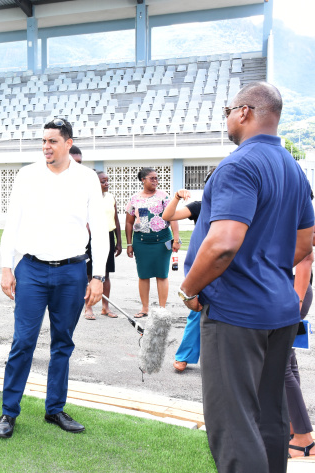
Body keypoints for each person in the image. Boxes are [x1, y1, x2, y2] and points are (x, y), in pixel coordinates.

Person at [180, 82, 314, 473]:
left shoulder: (238, 164)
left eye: (227, 110)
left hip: (236, 312)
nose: (226, 118)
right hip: (280, 308)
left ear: (244, 112)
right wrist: (265, 264)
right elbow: (305, 241)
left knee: (235, 425)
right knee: (270, 415)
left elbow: (223, 244)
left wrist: (189, 289)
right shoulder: (291, 166)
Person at [0, 118, 108, 439]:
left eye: (52, 141)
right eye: (43, 141)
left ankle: (54, 408)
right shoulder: (27, 175)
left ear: (68, 143)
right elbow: (12, 223)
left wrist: (97, 276)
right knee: (23, 342)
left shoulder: (87, 179)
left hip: (73, 271)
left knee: (63, 343)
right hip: (31, 269)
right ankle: (9, 412)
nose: (46, 146)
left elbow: (99, 231)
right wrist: (6, 266)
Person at [162, 173, 212, 372]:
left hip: (230, 265)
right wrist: (176, 197)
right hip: (202, 265)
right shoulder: (199, 206)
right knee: (196, 309)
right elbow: (168, 216)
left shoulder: (238, 204)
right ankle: (184, 356)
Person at [124, 167, 180, 318]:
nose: (155, 180)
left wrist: (176, 238)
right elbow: (129, 223)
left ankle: (162, 309)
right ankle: (144, 308)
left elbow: (172, 217)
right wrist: (129, 244)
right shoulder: (135, 198)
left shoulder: (164, 196)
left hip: (162, 240)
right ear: (143, 180)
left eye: (156, 178)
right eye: (152, 178)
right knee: (144, 275)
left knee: (162, 274)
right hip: (141, 241)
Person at [84, 170, 122, 319]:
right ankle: (88, 307)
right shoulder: (86, 198)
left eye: (107, 181)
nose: (107, 184)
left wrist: (119, 241)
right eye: (103, 181)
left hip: (108, 236)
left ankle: (105, 307)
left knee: (105, 274)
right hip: (90, 238)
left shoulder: (110, 197)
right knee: (89, 275)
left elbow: (116, 219)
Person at [288, 247, 314, 458]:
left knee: (280, 368)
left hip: (292, 291)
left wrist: (296, 302)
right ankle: (294, 428)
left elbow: (307, 255)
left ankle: (304, 439)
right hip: (292, 289)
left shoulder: (293, 212)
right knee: (287, 362)